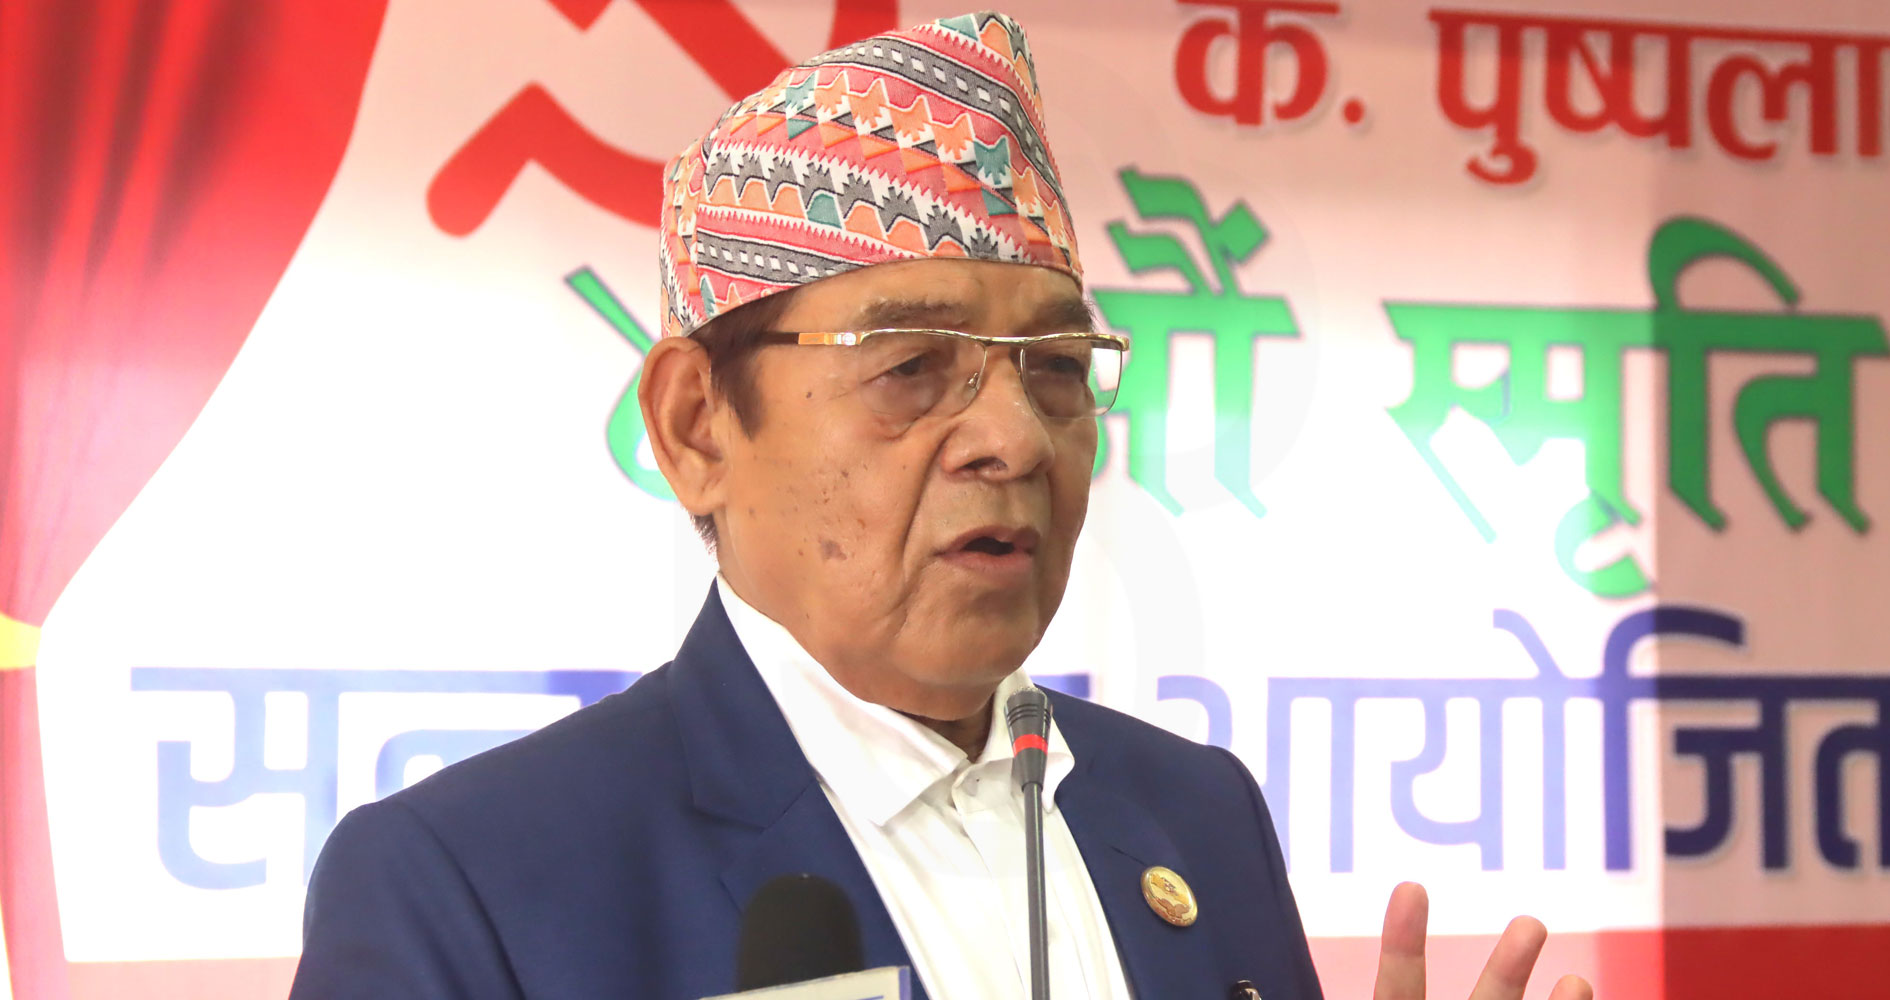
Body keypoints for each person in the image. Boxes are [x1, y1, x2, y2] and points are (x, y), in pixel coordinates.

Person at [291, 12, 1593, 999]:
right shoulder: (468, 884)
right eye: (912, 366)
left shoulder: (1198, 813)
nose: (1014, 439)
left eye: (1054, 367)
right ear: (697, 427)